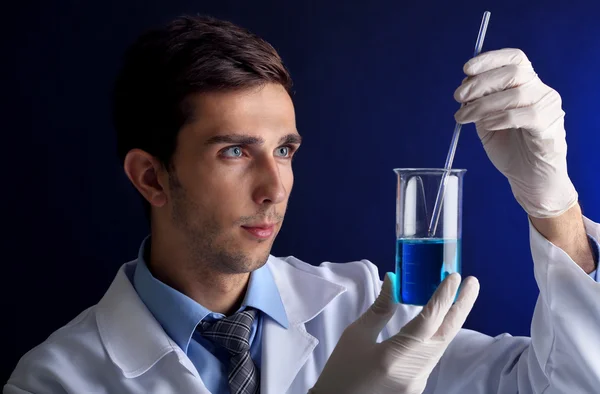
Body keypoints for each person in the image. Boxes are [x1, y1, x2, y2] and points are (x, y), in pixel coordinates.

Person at [4, 14, 600, 394]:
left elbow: (564, 386)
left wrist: (554, 206)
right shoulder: (57, 380)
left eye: (284, 149)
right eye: (236, 151)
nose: (275, 187)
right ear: (151, 178)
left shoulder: (366, 306)